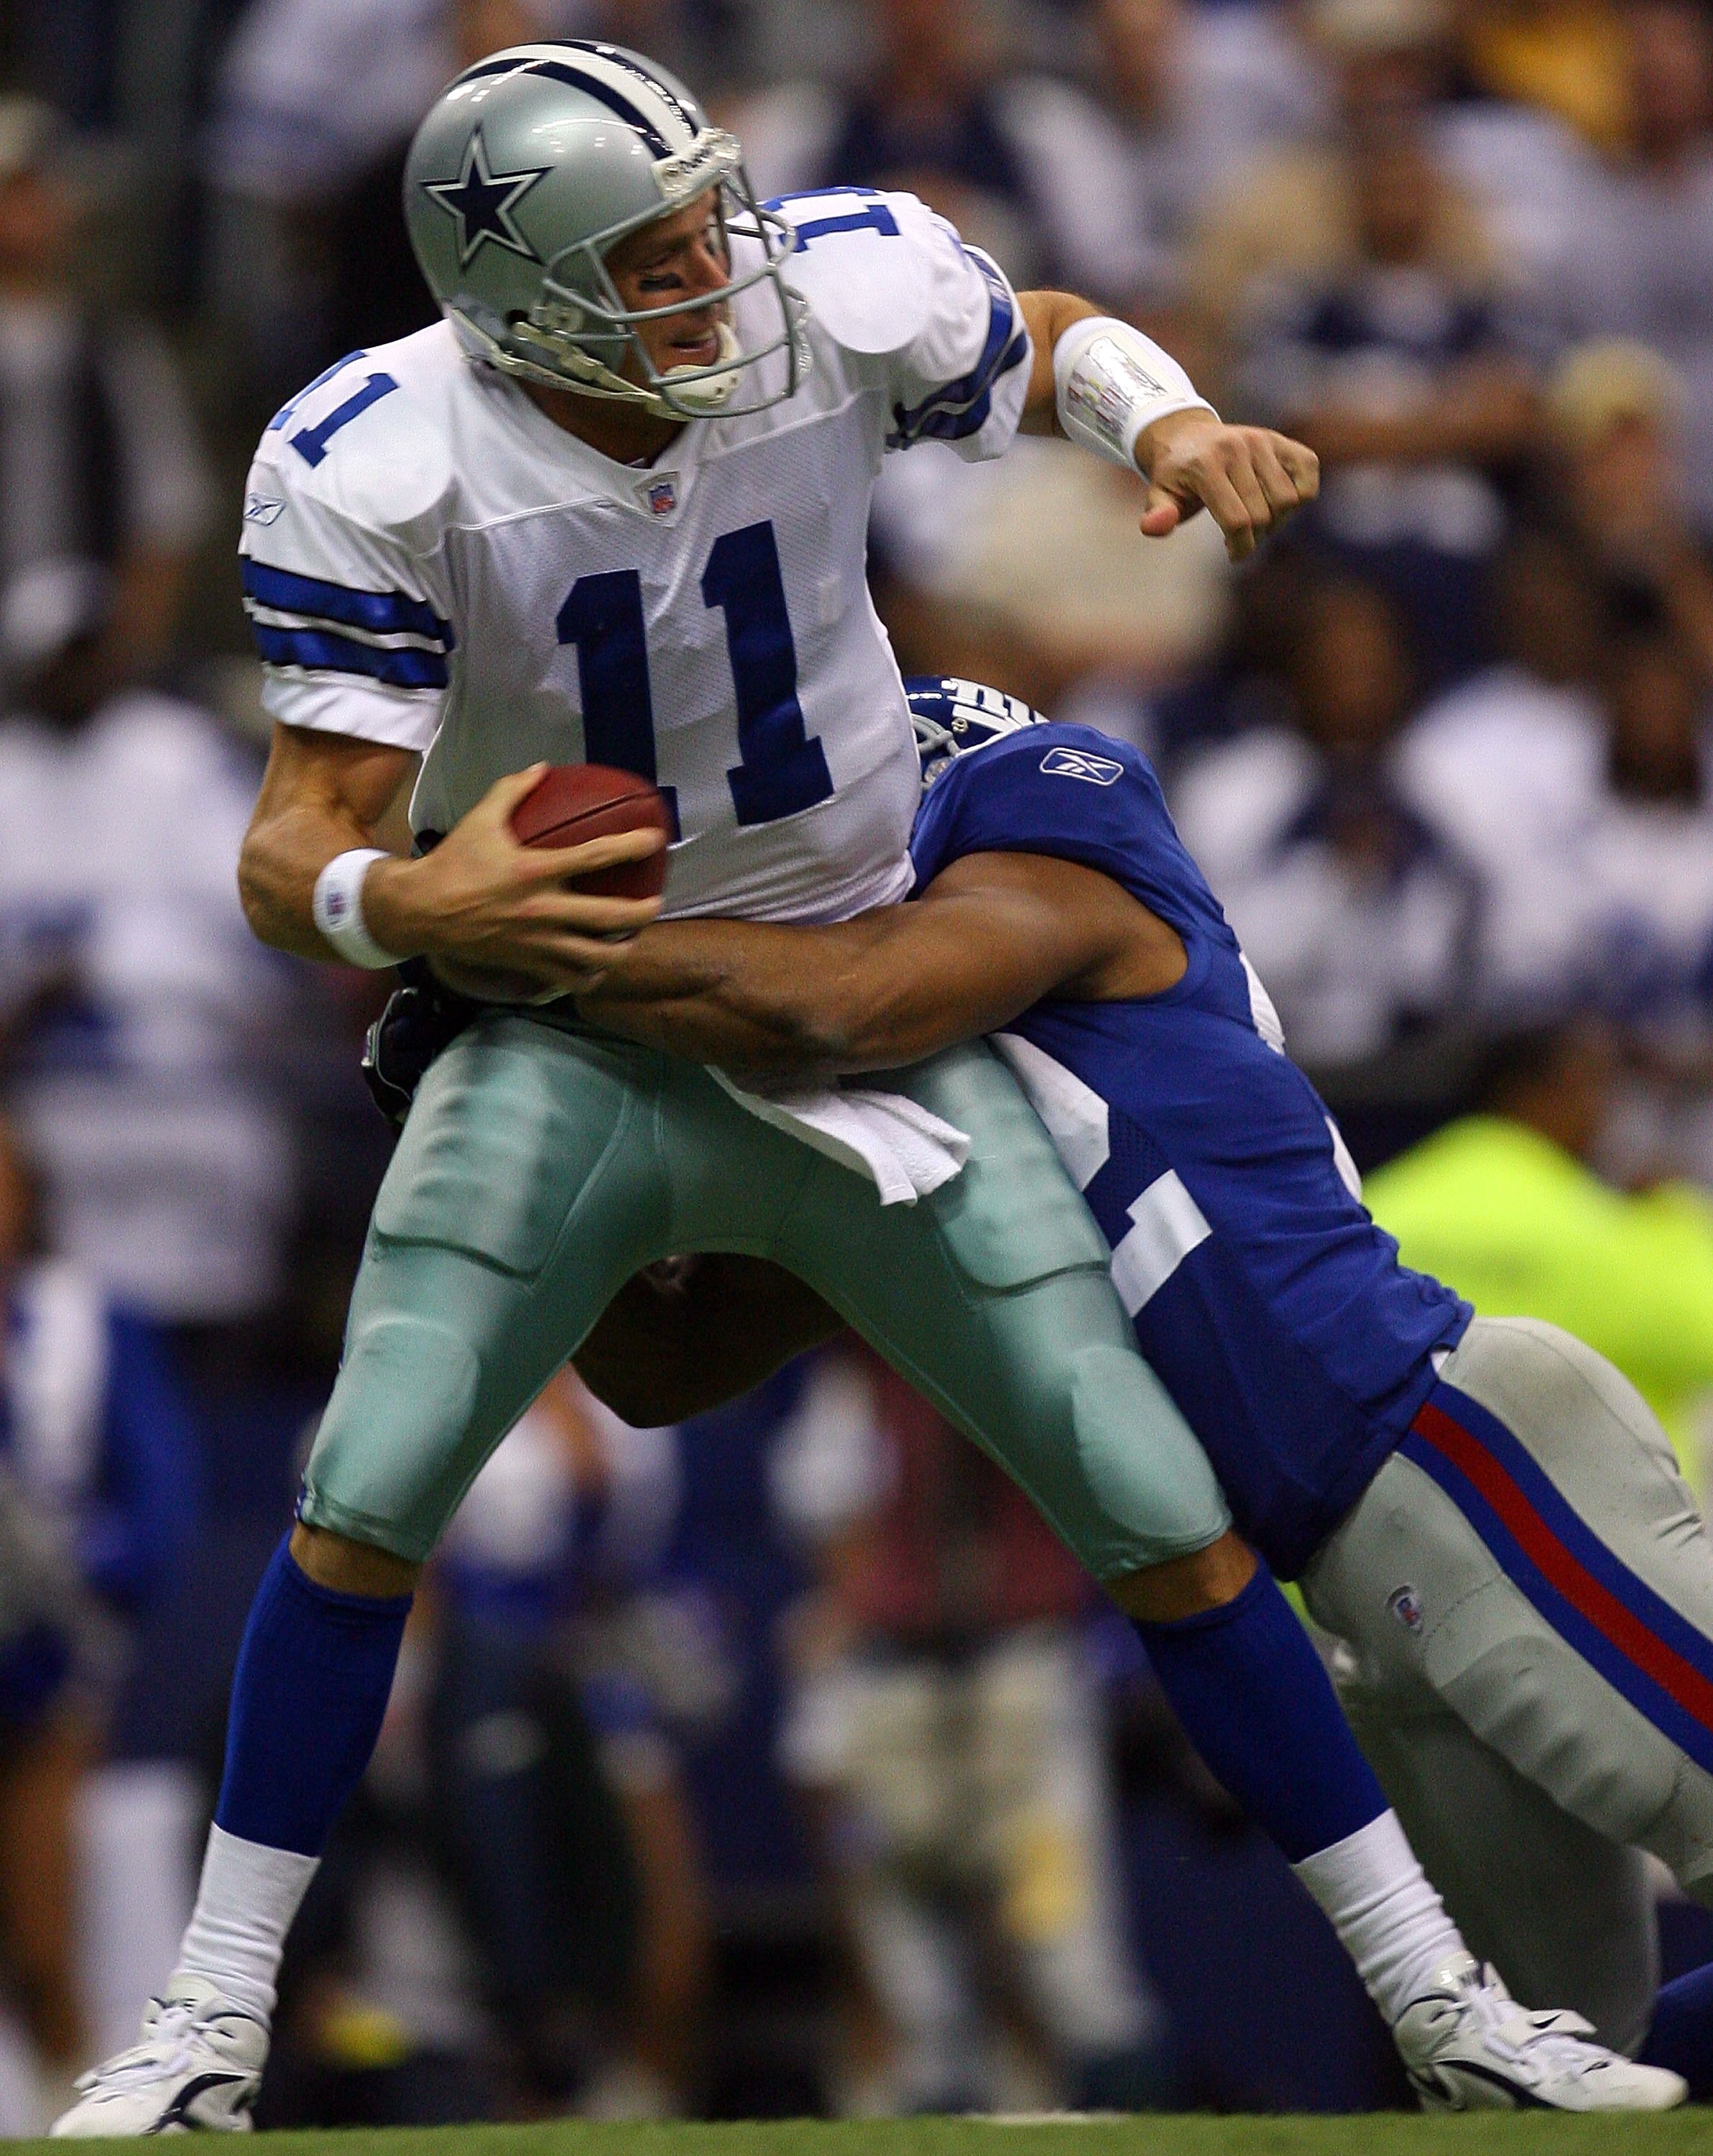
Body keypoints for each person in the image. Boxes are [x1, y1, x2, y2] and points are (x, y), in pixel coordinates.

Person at [47, 34, 1561, 2138]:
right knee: (365, 1481)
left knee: (1157, 1506)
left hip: (858, 992)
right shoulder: (373, 454)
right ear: (521, 301)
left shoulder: (816, 288)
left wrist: (1179, 414)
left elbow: (1038, 335)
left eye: (707, 225)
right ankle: (206, 2024)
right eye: (656, 261)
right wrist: (421, 894)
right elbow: (290, 851)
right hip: (569, 1024)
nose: (720, 281)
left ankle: (1442, 2006)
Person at [560, 674, 1713, 2099]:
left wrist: (546, 962)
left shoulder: (1052, 864)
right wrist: (506, 1089)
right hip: (1345, 1590)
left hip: (1454, 1458)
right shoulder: (916, 1118)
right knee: (1555, 2082)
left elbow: (851, 994)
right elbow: (652, 1371)